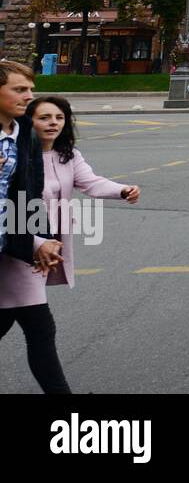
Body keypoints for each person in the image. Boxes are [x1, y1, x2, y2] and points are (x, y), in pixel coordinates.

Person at [1, 96, 139, 393]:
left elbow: (91, 182)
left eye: (59, 118)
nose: (53, 123)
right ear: (29, 121)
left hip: (41, 244)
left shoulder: (68, 155)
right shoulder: (20, 155)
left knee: (28, 324)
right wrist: (35, 241)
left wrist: (122, 190)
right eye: (44, 118)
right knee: (40, 328)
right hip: (19, 247)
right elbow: (10, 206)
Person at [0, 62, 66, 392]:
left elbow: (30, 190)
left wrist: (38, 239)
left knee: (39, 326)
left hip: (9, 244)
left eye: (30, 88)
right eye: (19, 89)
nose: (29, 96)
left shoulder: (24, 130)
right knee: (37, 325)